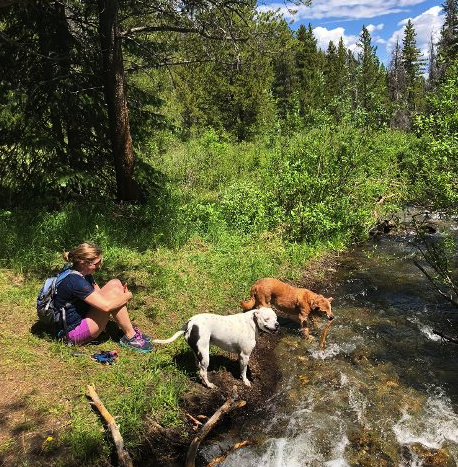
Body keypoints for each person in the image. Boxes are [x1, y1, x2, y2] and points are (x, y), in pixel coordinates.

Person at [54, 242, 154, 352]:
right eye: (96, 263)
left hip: (79, 319)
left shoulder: (80, 271)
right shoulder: (75, 281)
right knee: (114, 294)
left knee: (115, 283)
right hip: (72, 333)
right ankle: (131, 337)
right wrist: (127, 296)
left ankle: (130, 331)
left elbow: (99, 293)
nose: (99, 266)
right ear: (83, 263)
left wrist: (119, 294)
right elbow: (106, 307)